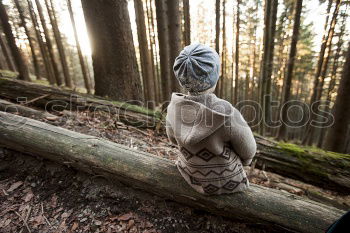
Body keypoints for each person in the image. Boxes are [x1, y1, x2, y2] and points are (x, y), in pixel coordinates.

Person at [166, 43, 257, 195]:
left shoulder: (173, 108)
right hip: (227, 182)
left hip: (189, 173)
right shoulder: (227, 114)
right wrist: (245, 162)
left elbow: (173, 139)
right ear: (215, 76)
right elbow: (248, 149)